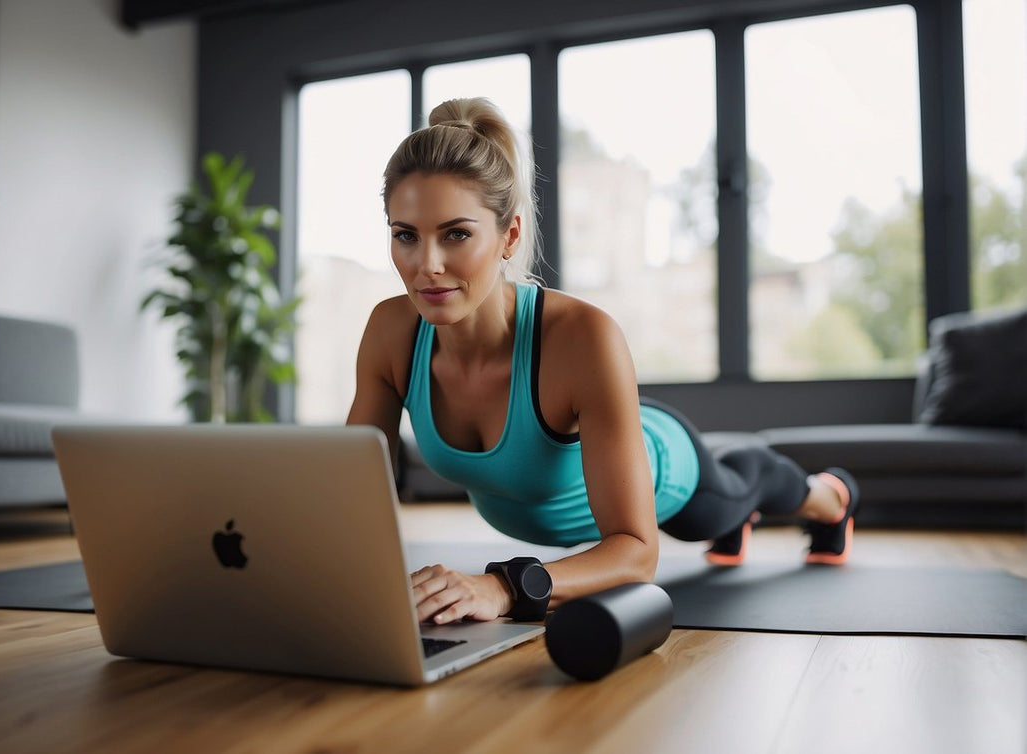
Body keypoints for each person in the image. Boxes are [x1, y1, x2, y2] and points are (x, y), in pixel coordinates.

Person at [346, 97, 859, 627]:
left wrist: (504, 586)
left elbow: (637, 554)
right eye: (405, 235)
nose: (426, 265)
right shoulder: (391, 332)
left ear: (510, 236)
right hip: (589, 448)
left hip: (669, 476)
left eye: (456, 234)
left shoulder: (582, 336)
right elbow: (351, 503)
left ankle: (833, 496)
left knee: (737, 492)